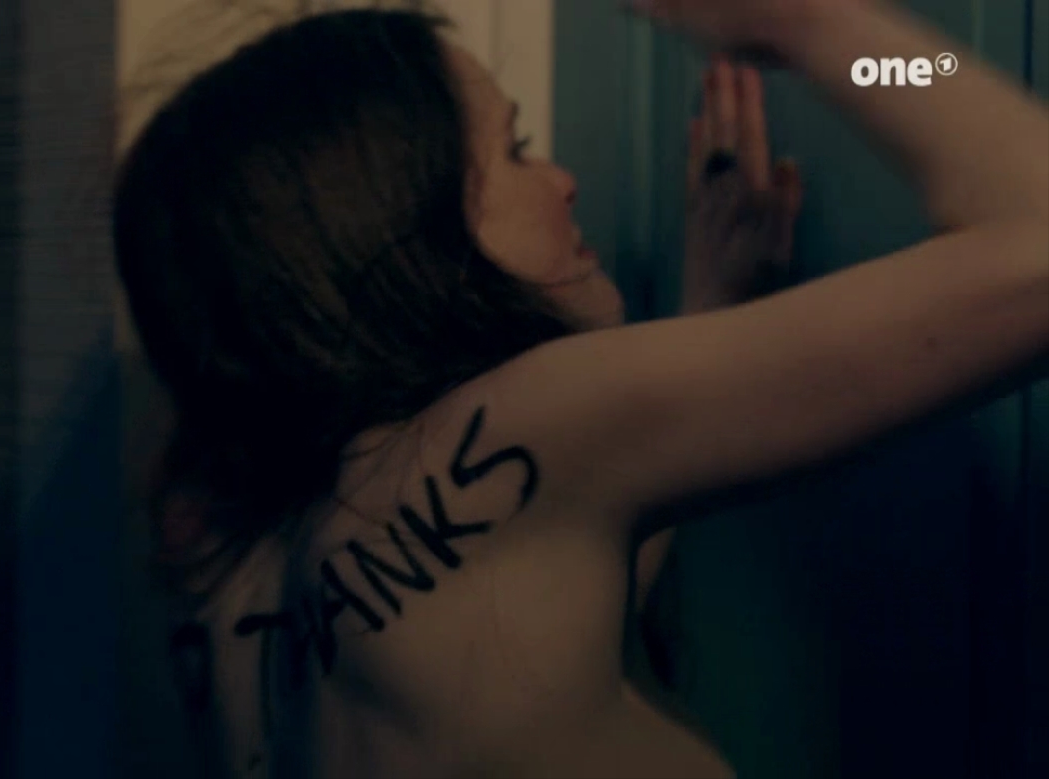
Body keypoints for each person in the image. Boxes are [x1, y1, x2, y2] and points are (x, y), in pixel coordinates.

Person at [112, 0, 1049, 776]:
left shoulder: (238, 594)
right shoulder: (531, 420)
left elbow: (528, 605)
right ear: (401, 229)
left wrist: (706, 311)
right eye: (516, 150)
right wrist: (817, 27)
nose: (561, 180)